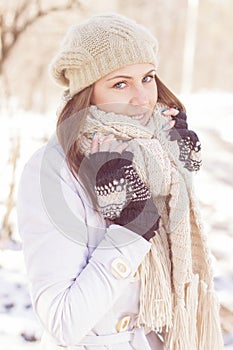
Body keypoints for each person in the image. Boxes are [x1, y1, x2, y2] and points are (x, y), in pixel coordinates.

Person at [17, 13, 224, 350]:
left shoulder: (157, 153)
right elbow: (62, 322)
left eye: (148, 77)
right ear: (88, 92)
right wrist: (131, 229)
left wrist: (176, 162)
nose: (143, 98)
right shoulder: (52, 169)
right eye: (120, 83)